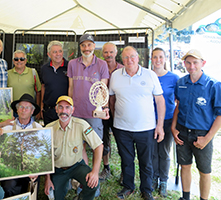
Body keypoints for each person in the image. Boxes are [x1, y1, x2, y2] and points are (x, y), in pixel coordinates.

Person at [109, 46, 165, 200]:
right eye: (125, 57)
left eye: (132, 56)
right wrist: (115, 120)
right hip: (122, 128)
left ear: (138, 57)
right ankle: (128, 186)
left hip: (146, 128)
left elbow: (160, 101)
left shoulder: (150, 75)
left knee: (146, 162)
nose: (129, 60)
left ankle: (146, 190)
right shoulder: (115, 76)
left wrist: (159, 126)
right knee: (126, 160)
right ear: (122, 60)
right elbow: (111, 100)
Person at [171, 49, 221, 200]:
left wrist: (207, 138)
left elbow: (220, 114)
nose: (191, 66)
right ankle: (185, 197)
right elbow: (178, 106)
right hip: (182, 132)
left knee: (204, 171)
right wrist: (173, 128)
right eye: (188, 62)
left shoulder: (213, 85)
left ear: (203, 63)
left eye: (195, 62)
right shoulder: (181, 83)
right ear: (184, 64)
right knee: (184, 166)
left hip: (202, 134)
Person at [44, 95, 103, 200]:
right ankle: (64, 184)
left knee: (93, 184)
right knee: (54, 197)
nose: (64, 111)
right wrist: (47, 179)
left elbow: (99, 146)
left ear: (72, 110)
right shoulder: (48, 129)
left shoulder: (82, 125)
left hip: (76, 166)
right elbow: (45, 156)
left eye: (67, 107)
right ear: (56, 109)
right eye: (60, 107)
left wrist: (95, 172)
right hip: (58, 170)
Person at [67, 33, 109, 164]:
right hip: (77, 112)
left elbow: (104, 89)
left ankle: (95, 175)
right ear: (80, 47)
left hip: (94, 113)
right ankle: (84, 174)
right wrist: (69, 107)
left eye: (89, 45)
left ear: (94, 46)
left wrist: (104, 108)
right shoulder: (72, 64)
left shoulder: (102, 64)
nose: (86, 48)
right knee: (79, 145)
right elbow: (71, 87)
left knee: (96, 145)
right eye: (83, 45)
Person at [0, 93, 42, 198]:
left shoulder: (39, 129)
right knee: (8, 186)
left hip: (31, 168)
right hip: (12, 168)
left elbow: (42, 153)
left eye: (27, 108)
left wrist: (38, 171)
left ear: (32, 111)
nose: (23, 110)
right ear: (17, 110)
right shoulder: (7, 129)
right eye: (21, 107)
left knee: (30, 186)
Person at [151, 47, 179, 197]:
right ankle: (154, 178)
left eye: (160, 57)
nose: (158, 60)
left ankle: (163, 181)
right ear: (151, 59)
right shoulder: (148, 76)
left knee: (165, 152)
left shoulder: (173, 78)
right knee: (153, 152)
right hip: (149, 120)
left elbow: (177, 101)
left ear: (166, 59)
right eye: (155, 57)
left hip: (167, 120)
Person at [99, 42, 124, 182]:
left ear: (116, 53)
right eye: (106, 52)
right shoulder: (98, 68)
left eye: (111, 52)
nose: (108, 55)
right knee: (104, 140)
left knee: (122, 141)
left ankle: (124, 170)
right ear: (103, 54)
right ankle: (106, 167)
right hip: (102, 110)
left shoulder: (122, 69)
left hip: (119, 110)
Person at [40, 40, 69, 126]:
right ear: (49, 54)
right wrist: (42, 106)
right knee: (50, 137)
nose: (58, 54)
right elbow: (43, 86)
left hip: (64, 111)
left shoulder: (70, 66)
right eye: (55, 52)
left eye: (60, 51)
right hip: (48, 111)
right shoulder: (44, 68)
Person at [8, 50, 41, 118]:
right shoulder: (7, 74)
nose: (19, 61)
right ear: (13, 61)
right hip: (12, 111)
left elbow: (38, 92)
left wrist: (38, 110)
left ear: (25, 61)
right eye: (16, 59)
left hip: (29, 111)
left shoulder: (33, 73)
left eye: (22, 59)